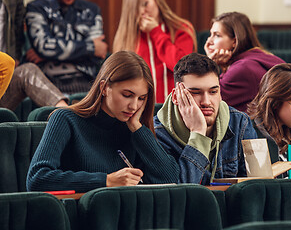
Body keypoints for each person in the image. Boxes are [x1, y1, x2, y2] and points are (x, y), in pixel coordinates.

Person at [27, 51, 179, 193]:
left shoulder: (134, 130)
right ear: (104, 87)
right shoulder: (65, 119)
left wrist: (137, 128)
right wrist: (105, 180)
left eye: (141, 98)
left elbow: (171, 179)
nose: (134, 106)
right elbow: (37, 178)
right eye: (127, 95)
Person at [154, 53, 257, 185]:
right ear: (176, 96)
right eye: (195, 93)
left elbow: (257, 186)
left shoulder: (240, 123)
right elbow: (180, 194)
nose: (206, 102)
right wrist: (198, 133)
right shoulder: (157, 134)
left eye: (213, 92)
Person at [113, 0, 196, 103]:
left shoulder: (181, 28)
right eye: (135, 8)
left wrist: (155, 32)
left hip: (177, 107)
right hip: (140, 109)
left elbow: (181, 66)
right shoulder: (125, 37)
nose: (142, 11)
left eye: (145, 4)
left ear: (157, 0)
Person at [25, 0, 108, 94]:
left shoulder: (92, 9)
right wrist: (90, 47)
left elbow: (99, 52)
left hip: (84, 80)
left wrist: (49, 54)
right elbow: (44, 47)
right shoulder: (36, 7)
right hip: (48, 81)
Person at [0, 0, 68, 110]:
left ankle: (67, 114)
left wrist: (15, 56)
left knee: (28, 70)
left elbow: (17, 25)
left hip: (5, 76)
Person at [205, 12, 284, 112]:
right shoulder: (258, 56)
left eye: (217, 35)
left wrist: (210, 64)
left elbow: (209, 101)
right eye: (210, 34)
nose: (209, 42)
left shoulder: (242, 68)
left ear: (234, 41)